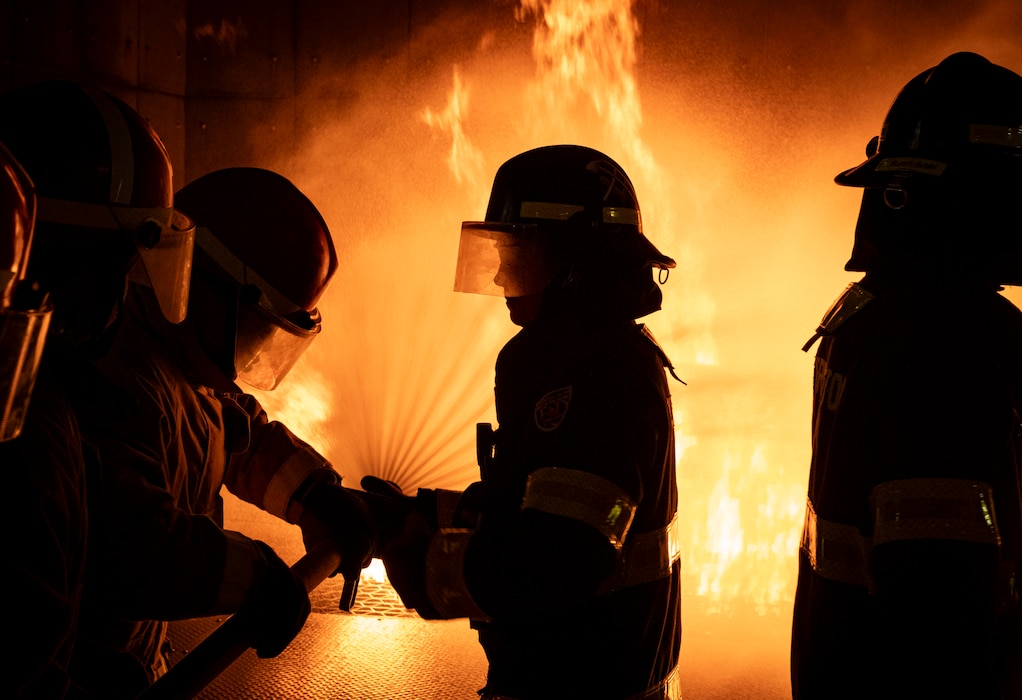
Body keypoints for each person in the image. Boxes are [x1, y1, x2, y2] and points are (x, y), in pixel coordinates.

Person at [366, 145, 683, 699]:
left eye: (517, 252)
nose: (499, 271)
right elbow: (535, 502)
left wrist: (424, 567)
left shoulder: (601, 374)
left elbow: (560, 558)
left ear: (573, 263)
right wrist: (426, 512)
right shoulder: (577, 359)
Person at [791, 52, 1022, 700]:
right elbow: (935, 593)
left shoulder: (871, 314)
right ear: (972, 203)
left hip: (846, 664)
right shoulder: (941, 341)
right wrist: (1008, 658)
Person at [71, 166, 379, 695]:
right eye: (254, 328)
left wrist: (315, 496)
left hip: (135, 663)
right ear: (198, 284)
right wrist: (257, 576)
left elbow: (243, 438)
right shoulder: (115, 374)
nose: (254, 353)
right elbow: (142, 551)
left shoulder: (185, 359)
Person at [0, 81, 197, 698]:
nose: (114, 299)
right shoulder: (35, 427)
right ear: (41, 258)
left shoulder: (53, 395)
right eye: (103, 265)